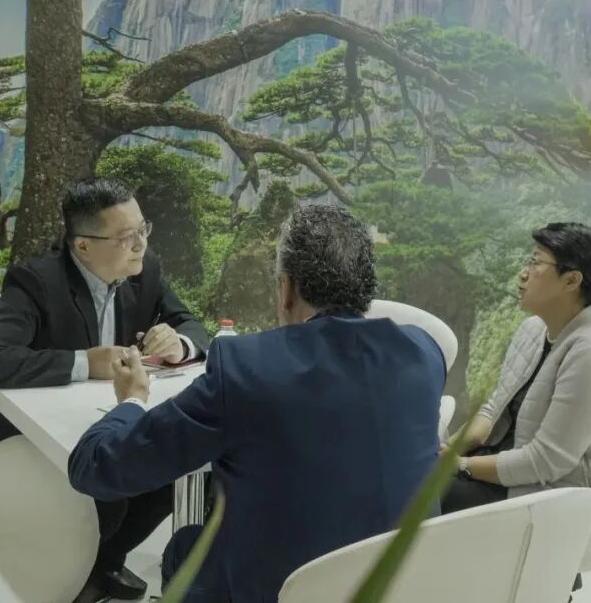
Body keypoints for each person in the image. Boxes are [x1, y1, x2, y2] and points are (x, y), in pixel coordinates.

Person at [68, 205, 447, 602]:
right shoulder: (424, 354)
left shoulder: (247, 369)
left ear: (286, 288)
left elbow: (96, 467)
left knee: (184, 545)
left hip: (282, 591)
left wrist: (132, 400)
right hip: (402, 587)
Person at [0, 178, 210, 601]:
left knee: (170, 466)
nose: (141, 245)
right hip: (30, 438)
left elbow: (189, 324)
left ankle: (100, 564)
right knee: (108, 494)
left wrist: (178, 344)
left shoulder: (144, 270)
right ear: (83, 246)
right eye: (126, 237)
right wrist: (83, 362)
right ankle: (62, 578)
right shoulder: (36, 282)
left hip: (98, 419)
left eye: (143, 229)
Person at [442, 222, 591, 513]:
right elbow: (494, 410)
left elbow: (547, 461)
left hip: (559, 498)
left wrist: (460, 466)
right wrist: (447, 451)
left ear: (571, 280)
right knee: (409, 477)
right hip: (513, 472)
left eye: (535, 262)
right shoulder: (533, 330)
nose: (523, 273)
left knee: (413, 495)